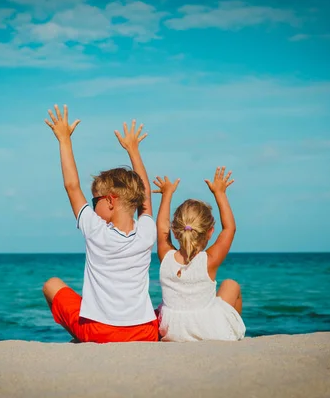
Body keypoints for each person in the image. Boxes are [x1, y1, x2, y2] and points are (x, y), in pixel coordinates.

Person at [42, 104, 158, 343]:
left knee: (51, 285)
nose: (92, 206)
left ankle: (79, 338)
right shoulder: (147, 232)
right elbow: (146, 198)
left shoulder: (95, 230)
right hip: (144, 332)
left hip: (99, 332)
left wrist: (64, 139)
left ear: (110, 201)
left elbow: (71, 186)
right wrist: (134, 150)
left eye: (95, 200)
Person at [152, 167, 246, 342]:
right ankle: (235, 335)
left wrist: (166, 195)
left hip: (171, 330)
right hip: (208, 330)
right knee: (231, 285)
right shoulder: (208, 261)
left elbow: (161, 228)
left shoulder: (166, 257)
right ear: (210, 232)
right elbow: (229, 229)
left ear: (175, 229)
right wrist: (220, 192)